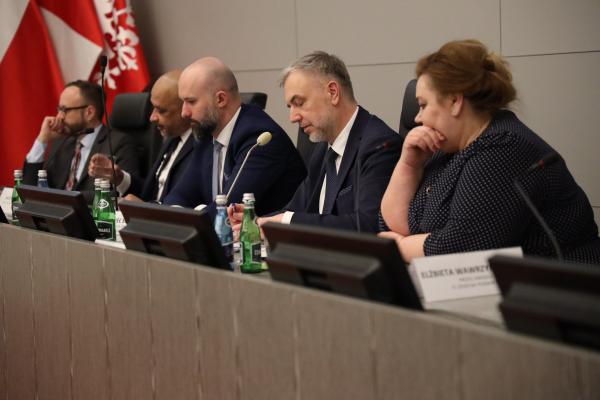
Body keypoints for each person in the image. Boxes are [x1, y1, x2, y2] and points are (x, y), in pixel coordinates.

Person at [379, 39, 600, 264]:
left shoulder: (503, 147)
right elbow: (396, 225)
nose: (418, 118)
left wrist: (399, 247)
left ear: (455, 101)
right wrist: (409, 165)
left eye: (423, 105)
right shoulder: (446, 146)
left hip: (561, 279)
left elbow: (461, 248)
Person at [245, 51, 402, 233]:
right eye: (290, 107)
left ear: (333, 92)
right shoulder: (321, 148)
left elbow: (368, 225)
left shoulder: (380, 146)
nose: (292, 118)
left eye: (299, 103)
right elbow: (294, 210)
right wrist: (255, 221)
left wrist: (286, 221)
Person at [162, 57, 306, 218]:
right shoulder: (207, 134)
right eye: (183, 102)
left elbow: (227, 213)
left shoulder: (259, 140)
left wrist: (191, 213)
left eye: (191, 102)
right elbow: (178, 196)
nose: (184, 113)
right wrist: (181, 213)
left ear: (221, 99)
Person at [22, 80, 140, 202]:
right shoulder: (61, 142)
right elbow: (29, 188)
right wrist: (42, 140)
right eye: (59, 109)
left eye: (65, 110)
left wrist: (65, 198)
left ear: (89, 112)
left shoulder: (118, 143)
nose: (59, 117)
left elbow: (124, 194)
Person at [88, 70, 193, 203]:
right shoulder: (172, 139)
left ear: (185, 109)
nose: (152, 117)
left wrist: (147, 210)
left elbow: (186, 206)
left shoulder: (203, 146)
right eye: (153, 108)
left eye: (161, 111)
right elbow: (151, 193)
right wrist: (119, 178)